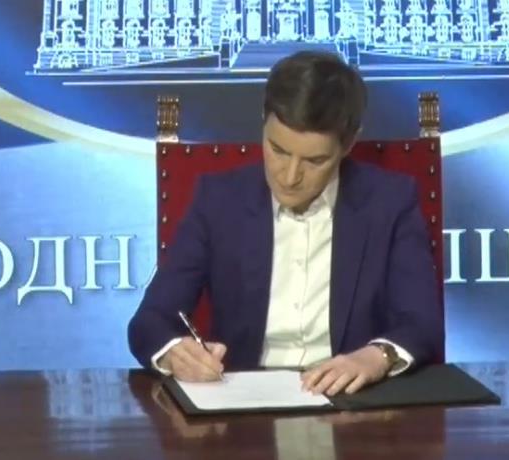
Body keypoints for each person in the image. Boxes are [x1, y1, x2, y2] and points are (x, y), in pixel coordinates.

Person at [128, 50, 443, 396]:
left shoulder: (390, 202)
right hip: (243, 402)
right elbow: (151, 320)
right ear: (263, 120)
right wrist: (174, 353)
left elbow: (422, 322)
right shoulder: (218, 201)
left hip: (353, 401)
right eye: (278, 150)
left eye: (315, 160)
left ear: (349, 143)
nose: (290, 176)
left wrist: (375, 357)